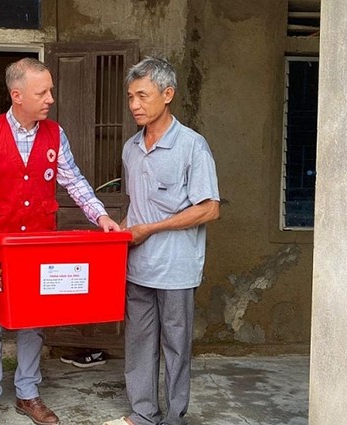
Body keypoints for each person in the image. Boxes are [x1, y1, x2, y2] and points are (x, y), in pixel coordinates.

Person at [0, 57, 121, 425]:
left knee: (33, 321)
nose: (50, 98)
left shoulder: (54, 133)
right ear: (17, 95)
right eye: (42, 92)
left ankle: (28, 394)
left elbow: (74, 180)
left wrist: (101, 216)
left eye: (50, 90)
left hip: (37, 246)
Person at [103, 57, 220, 425]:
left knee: (175, 348)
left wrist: (148, 230)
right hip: (138, 267)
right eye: (130, 96)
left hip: (176, 269)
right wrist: (117, 233)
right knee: (138, 345)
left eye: (142, 95)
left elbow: (209, 209)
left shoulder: (192, 146)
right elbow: (138, 208)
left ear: (167, 95)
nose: (134, 104)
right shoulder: (130, 148)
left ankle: (174, 418)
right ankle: (143, 414)